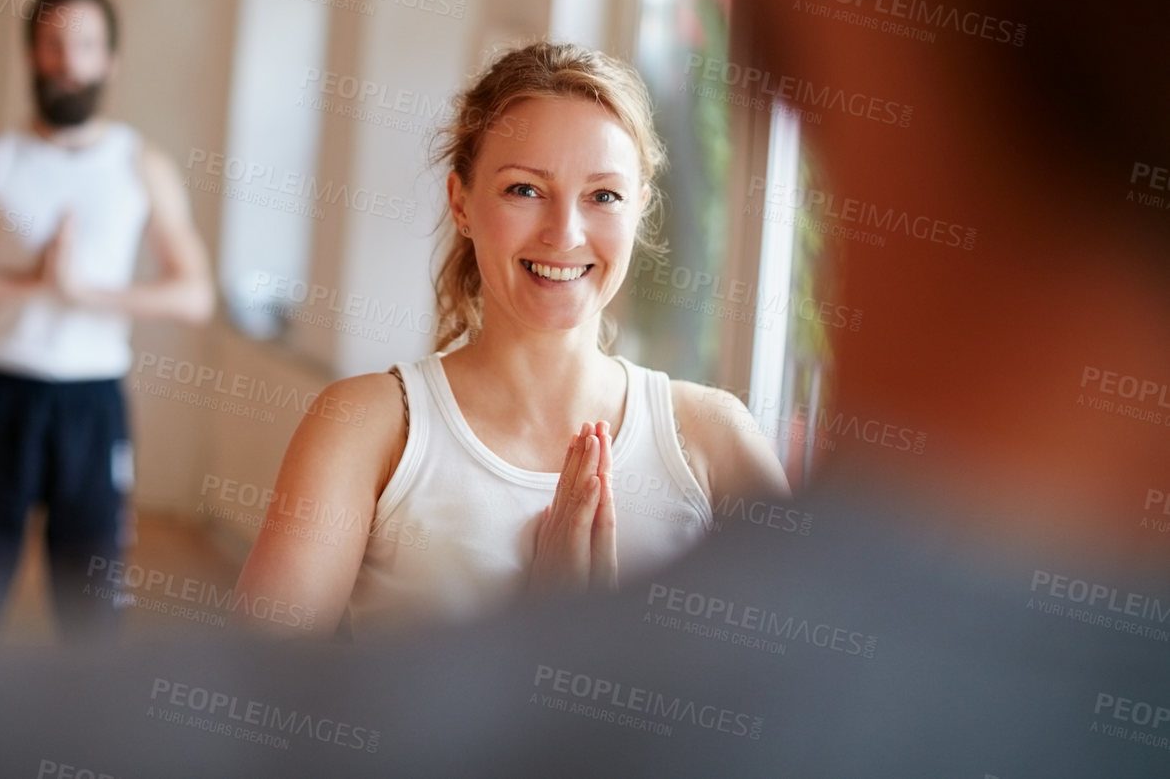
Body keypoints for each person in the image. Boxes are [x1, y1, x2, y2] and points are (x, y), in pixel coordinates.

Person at [234, 42, 791, 635]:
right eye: (524, 189)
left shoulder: (715, 441)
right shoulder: (366, 428)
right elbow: (249, 704)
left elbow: (821, 698)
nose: (564, 234)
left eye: (603, 195)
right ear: (461, 203)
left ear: (639, 210)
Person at [0, 0, 214, 650]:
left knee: (92, 602)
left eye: (85, 45)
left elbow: (195, 294)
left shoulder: (142, 164)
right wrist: (26, 282)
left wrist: (83, 294)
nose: (69, 62)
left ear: (110, 61)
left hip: (92, 408)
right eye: (53, 44)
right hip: (2, 397)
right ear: (30, 55)